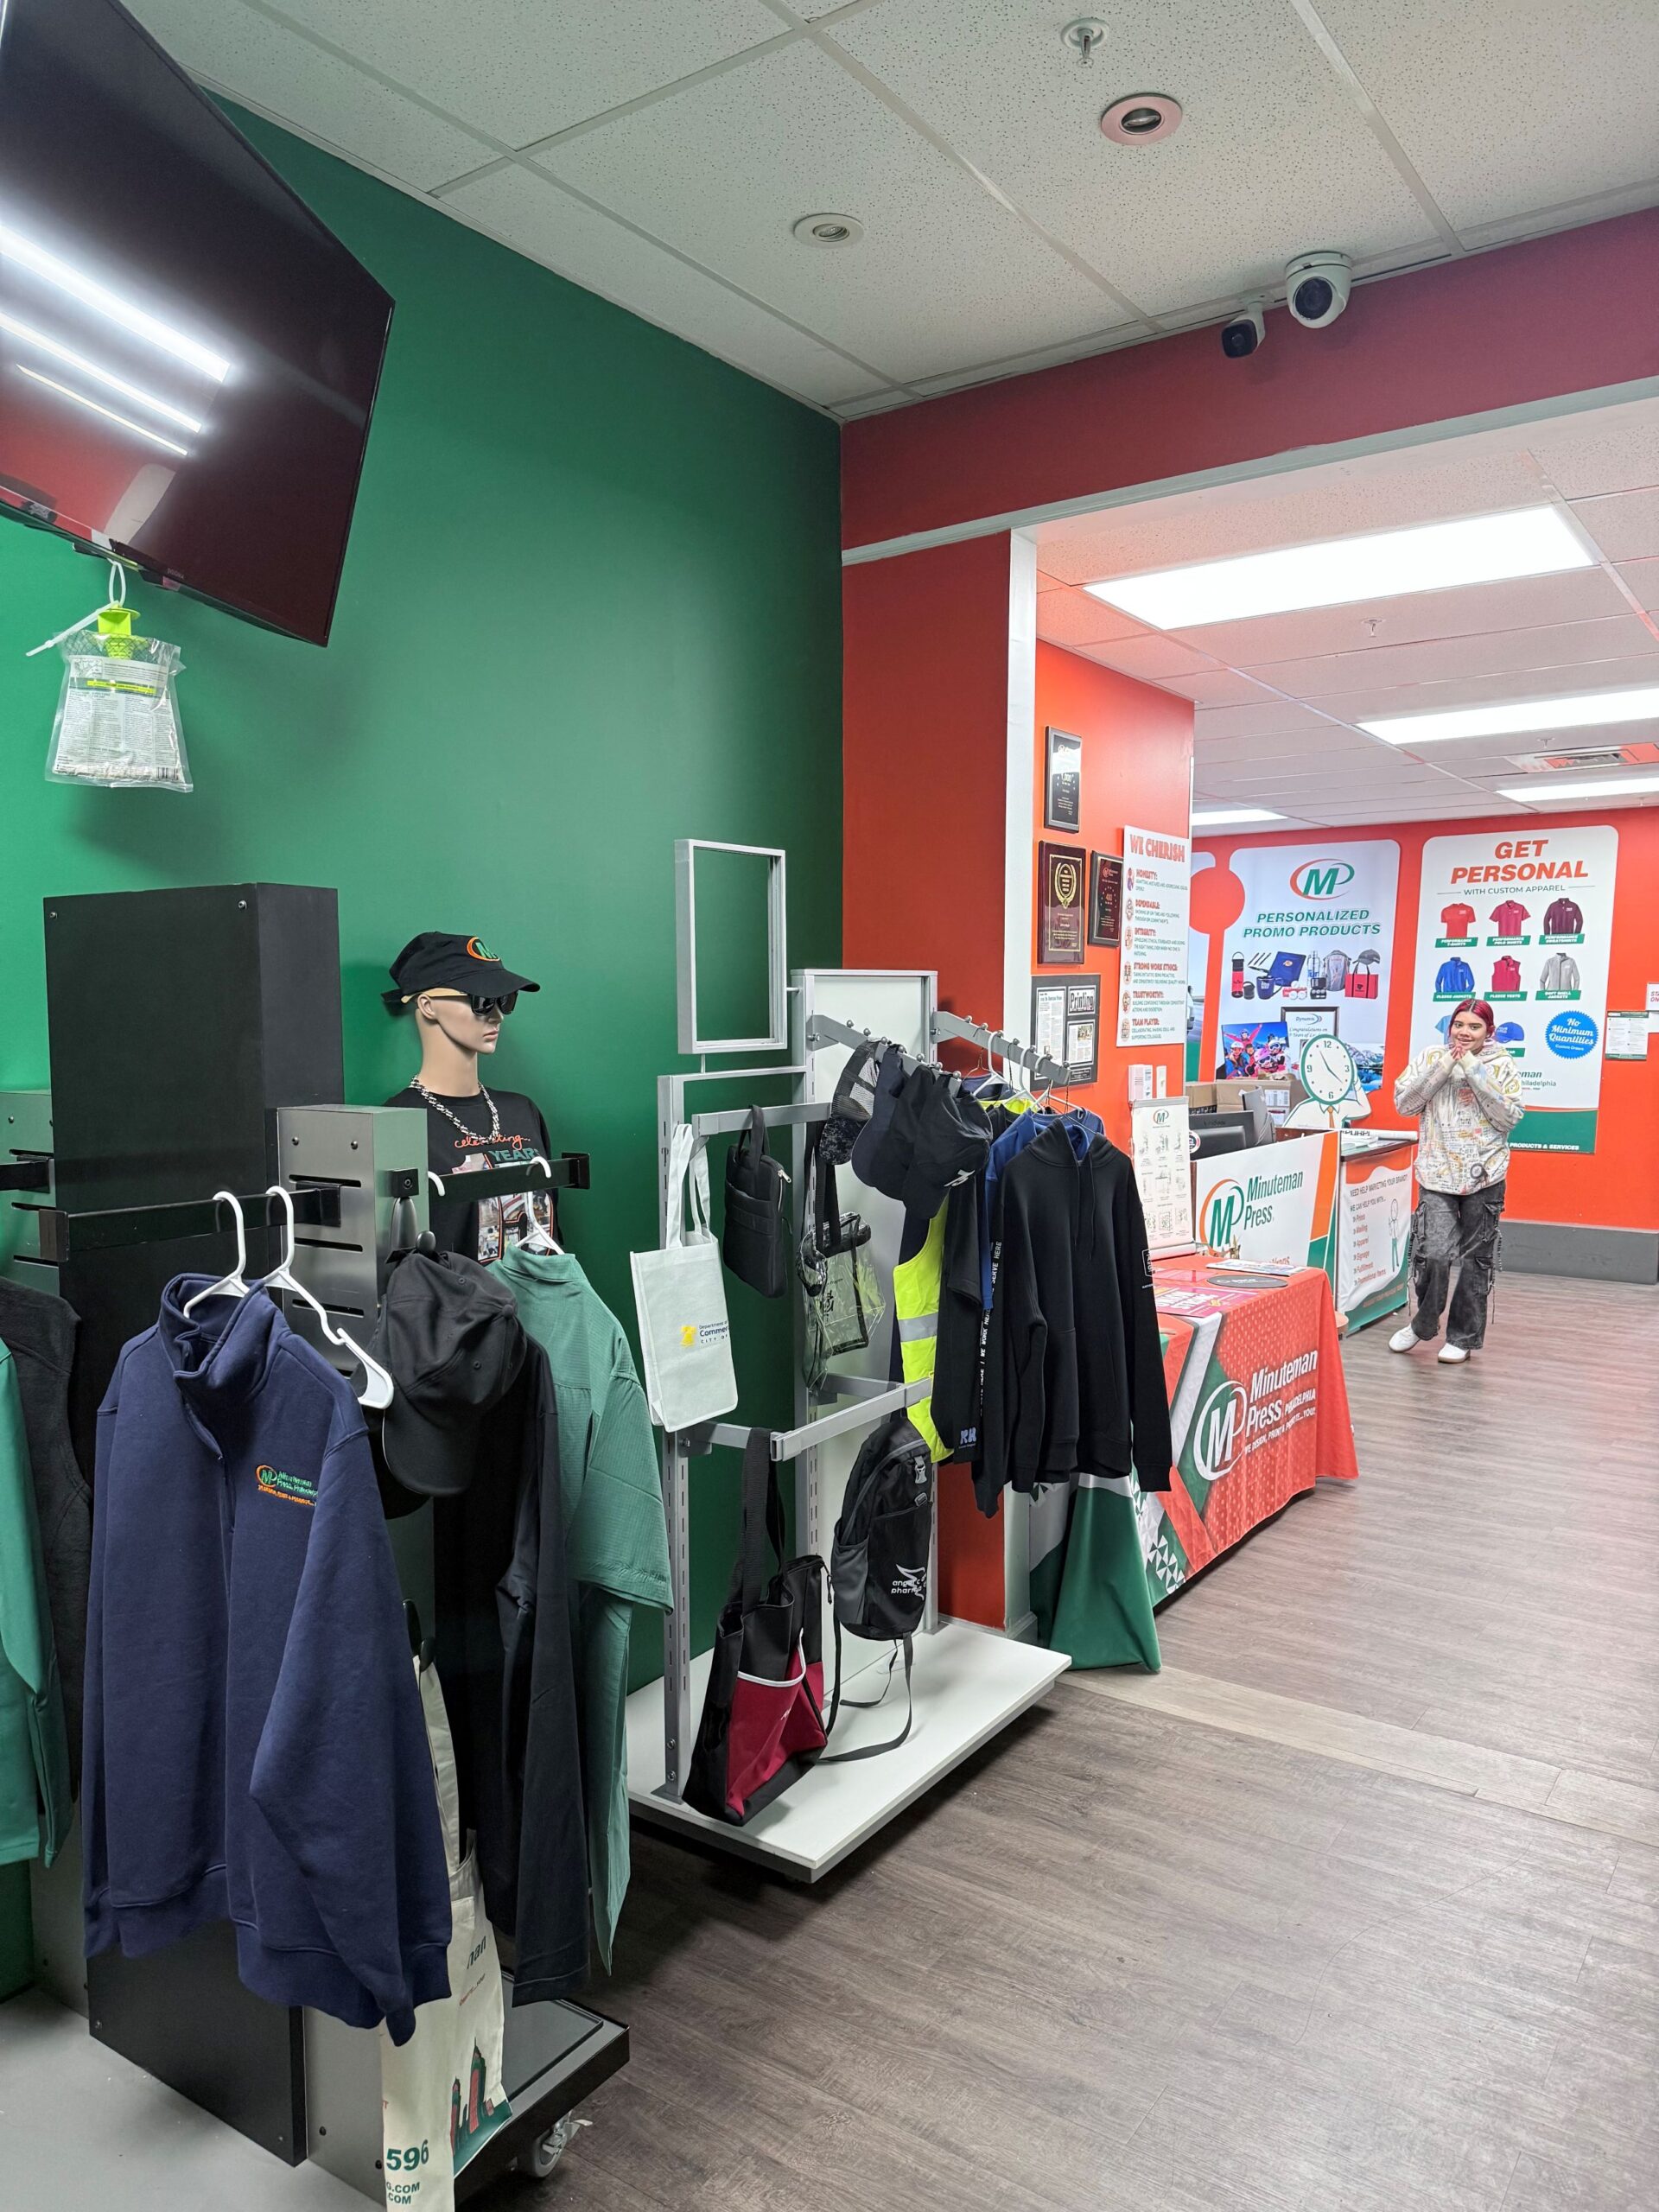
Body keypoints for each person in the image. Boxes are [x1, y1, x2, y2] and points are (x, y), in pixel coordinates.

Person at [1389, 998, 1523, 1365]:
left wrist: (1472, 1068)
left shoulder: (1501, 1064)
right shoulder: (1431, 1057)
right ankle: (1423, 1323)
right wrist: (1447, 1063)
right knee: (1433, 1253)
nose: (1465, 1032)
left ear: (1489, 1032)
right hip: (1437, 1172)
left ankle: (1463, 1336)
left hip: (1486, 1174)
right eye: (1459, 1025)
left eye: (1474, 1027)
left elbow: (1508, 1117)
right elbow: (1405, 1103)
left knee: (1476, 1260)